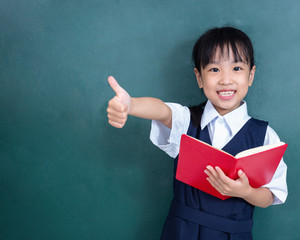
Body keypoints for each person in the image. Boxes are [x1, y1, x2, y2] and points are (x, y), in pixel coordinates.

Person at [107, 26, 287, 240]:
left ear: (251, 75)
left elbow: (270, 195)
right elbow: (162, 110)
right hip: (181, 232)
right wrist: (131, 104)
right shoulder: (187, 120)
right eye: (214, 69)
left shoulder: (265, 136)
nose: (226, 79)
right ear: (199, 77)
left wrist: (245, 192)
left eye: (237, 68)